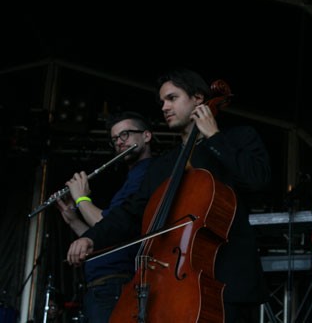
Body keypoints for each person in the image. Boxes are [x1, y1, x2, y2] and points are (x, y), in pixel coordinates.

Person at [65, 67, 271, 322]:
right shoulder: (163, 165)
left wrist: (214, 138)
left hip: (227, 281)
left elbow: (257, 182)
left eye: (172, 98)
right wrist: (92, 238)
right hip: (168, 285)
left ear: (198, 99)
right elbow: (130, 212)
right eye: (162, 101)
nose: (164, 107)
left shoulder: (238, 138)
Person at [54, 111, 153, 323]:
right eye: (115, 139)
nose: (119, 142)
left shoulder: (147, 175)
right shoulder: (130, 179)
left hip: (117, 285)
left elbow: (111, 225)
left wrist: (81, 199)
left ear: (146, 136)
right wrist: (73, 220)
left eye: (125, 134)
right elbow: (104, 235)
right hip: (101, 286)